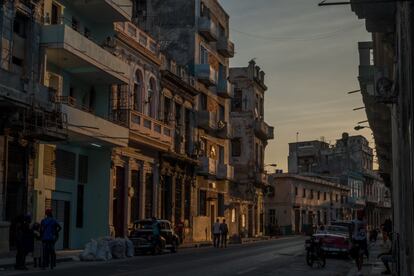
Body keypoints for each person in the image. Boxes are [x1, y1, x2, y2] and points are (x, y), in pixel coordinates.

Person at [350, 210, 368, 276]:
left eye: (362, 214)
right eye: (359, 214)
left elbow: (366, 230)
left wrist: (366, 240)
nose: (360, 215)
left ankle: (360, 270)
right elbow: (351, 231)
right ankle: (359, 270)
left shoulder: (365, 221)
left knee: (361, 255)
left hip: (363, 240)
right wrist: (351, 241)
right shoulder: (354, 222)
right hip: (356, 240)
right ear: (357, 214)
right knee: (356, 256)